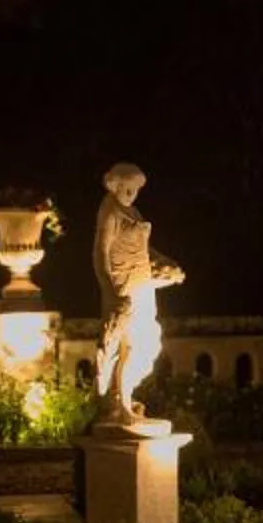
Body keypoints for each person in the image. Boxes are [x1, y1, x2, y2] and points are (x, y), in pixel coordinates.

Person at [92, 163, 183, 423]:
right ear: (116, 185)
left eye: (136, 188)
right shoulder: (109, 211)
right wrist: (110, 291)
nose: (132, 193)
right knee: (128, 346)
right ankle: (120, 405)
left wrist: (166, 264)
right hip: (123, 286)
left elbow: (144, 249)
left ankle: (123, 399)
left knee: (146, 342)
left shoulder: (133, 211)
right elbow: (100, 253)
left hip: (142, 282)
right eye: (127, 187)